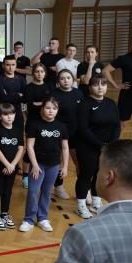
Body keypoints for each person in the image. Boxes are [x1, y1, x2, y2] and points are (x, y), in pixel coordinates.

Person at [19, 97, 68, 233]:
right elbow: (29, 146)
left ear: (57, 110)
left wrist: (64, 166)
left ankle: (42, 218)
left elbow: (65, 148)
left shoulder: (61, 126)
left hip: (54, 165)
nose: (51, 111)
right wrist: (34, 165)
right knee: (33, 191)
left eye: (54, 108)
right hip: (38, 164)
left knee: (47, 192)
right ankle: (29, 219)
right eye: (48, 108)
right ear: (42, 109)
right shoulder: (35, 124)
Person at [75, 75, 120, 219]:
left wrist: (111, 143)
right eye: (96, 84)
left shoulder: (111, 103)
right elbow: (83, 128)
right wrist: (101, 145)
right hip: (87, 145)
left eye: (103, 84)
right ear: (89, 87)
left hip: (106, 147)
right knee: (86, 175)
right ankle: (81, 206)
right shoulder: (84, 103)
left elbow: (116, 125)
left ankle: (96, 203)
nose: (100, 87)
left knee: (100, 175)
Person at [0, 103, 24, 231]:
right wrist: (7, 164)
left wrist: (13, 165)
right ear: (0, 116)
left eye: (11, 113)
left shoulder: (17, 130)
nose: (9, 117)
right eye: (5, 114)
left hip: (12, 168)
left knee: (7, 191)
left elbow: (20, 149)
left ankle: (4, 213)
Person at [51, 69, 84, 200]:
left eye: (68, 78)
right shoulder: (54, 94)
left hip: (76, 133)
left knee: (79, 162)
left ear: (73, 79)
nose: (66, 80)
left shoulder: (78, 93)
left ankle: (83, 191)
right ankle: (58, 186)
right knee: (59, 161)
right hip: (59, 133)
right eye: (62, 78)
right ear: (58, 81)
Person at [22, 63, 52, 188]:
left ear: (45, 73)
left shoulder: (49, 86)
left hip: (46, 121)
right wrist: (43, 104)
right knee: (30, 148)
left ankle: (40, 171)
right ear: (33, 73)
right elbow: (30, 104)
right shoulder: (28, 87)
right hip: (32, 121)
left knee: (42, 147)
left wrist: (38, 104)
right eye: (37, 71)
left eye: (42, 71)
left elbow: (51, 104)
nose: (39, 74)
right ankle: (25, 175)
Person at [0, 55, 26, 134]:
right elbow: (3, 98)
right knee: (4, 136)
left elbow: (25, 97)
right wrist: (18, 95)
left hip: (18, 112)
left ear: (16, 65)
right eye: (8, 65)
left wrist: (9, 95)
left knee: (19, 135)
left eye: (13, 65)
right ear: (3, 65)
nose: (10, 67)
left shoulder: (21, 79)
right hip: (4, 112)